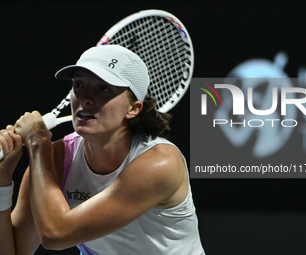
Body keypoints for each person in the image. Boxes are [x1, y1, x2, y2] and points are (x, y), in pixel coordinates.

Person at [0, 45, 205, 255]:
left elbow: (56, 235)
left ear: (133, 108)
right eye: (79, 85)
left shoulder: (159, 163)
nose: (86, 98)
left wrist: (37, 142)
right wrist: (2, 179)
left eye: (104, 89)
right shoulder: (55, 160)